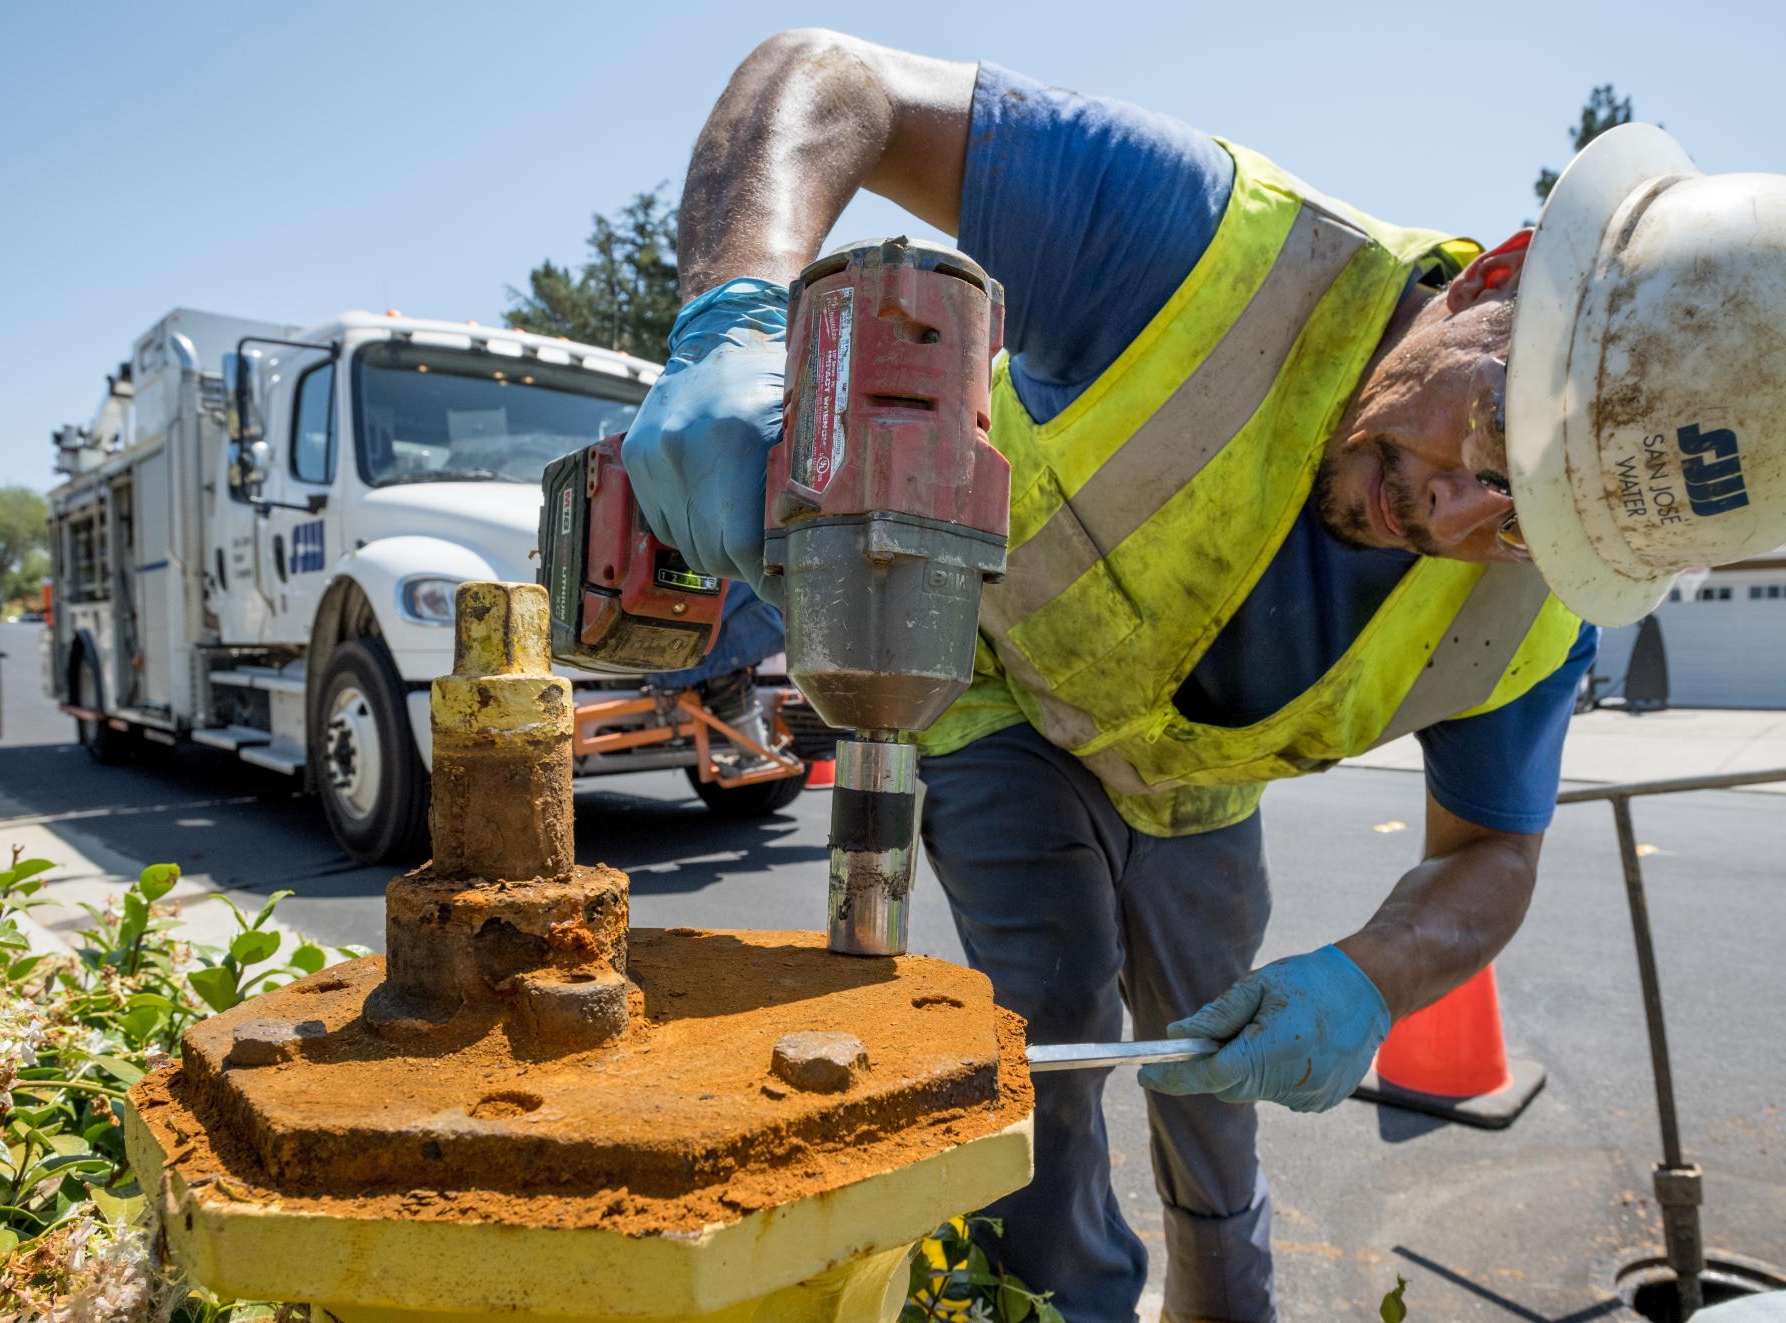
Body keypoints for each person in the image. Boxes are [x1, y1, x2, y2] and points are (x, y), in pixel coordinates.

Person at [619, 30, 1786, 1323]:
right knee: (1046, 1047)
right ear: (1496, 276)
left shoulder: (1531, 623)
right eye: (1499, 425)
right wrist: (733, 322)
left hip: (1197, 800)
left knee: (1213, 1083)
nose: (1455, 512)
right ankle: (1060, 1302)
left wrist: (1371, 976)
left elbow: (1494, 855)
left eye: (1529, 516)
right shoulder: (1201, 245)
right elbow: (831, 79)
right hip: (1001, 686)